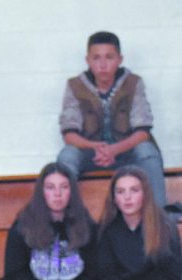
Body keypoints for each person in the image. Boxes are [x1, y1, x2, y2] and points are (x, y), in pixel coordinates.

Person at [56, 31, 166, 209]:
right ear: (88, 60)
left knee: (147, 151)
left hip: (125, 153)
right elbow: (69, 135)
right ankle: (65, 218)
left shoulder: (133, 83)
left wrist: (115, 149)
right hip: (92, 155)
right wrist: (95, 147)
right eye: (96, 58)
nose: (102, 65)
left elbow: (143, 132)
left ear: (120, 59)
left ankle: (161, 215)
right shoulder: (75, 86)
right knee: (67, 156)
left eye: (109, 57)